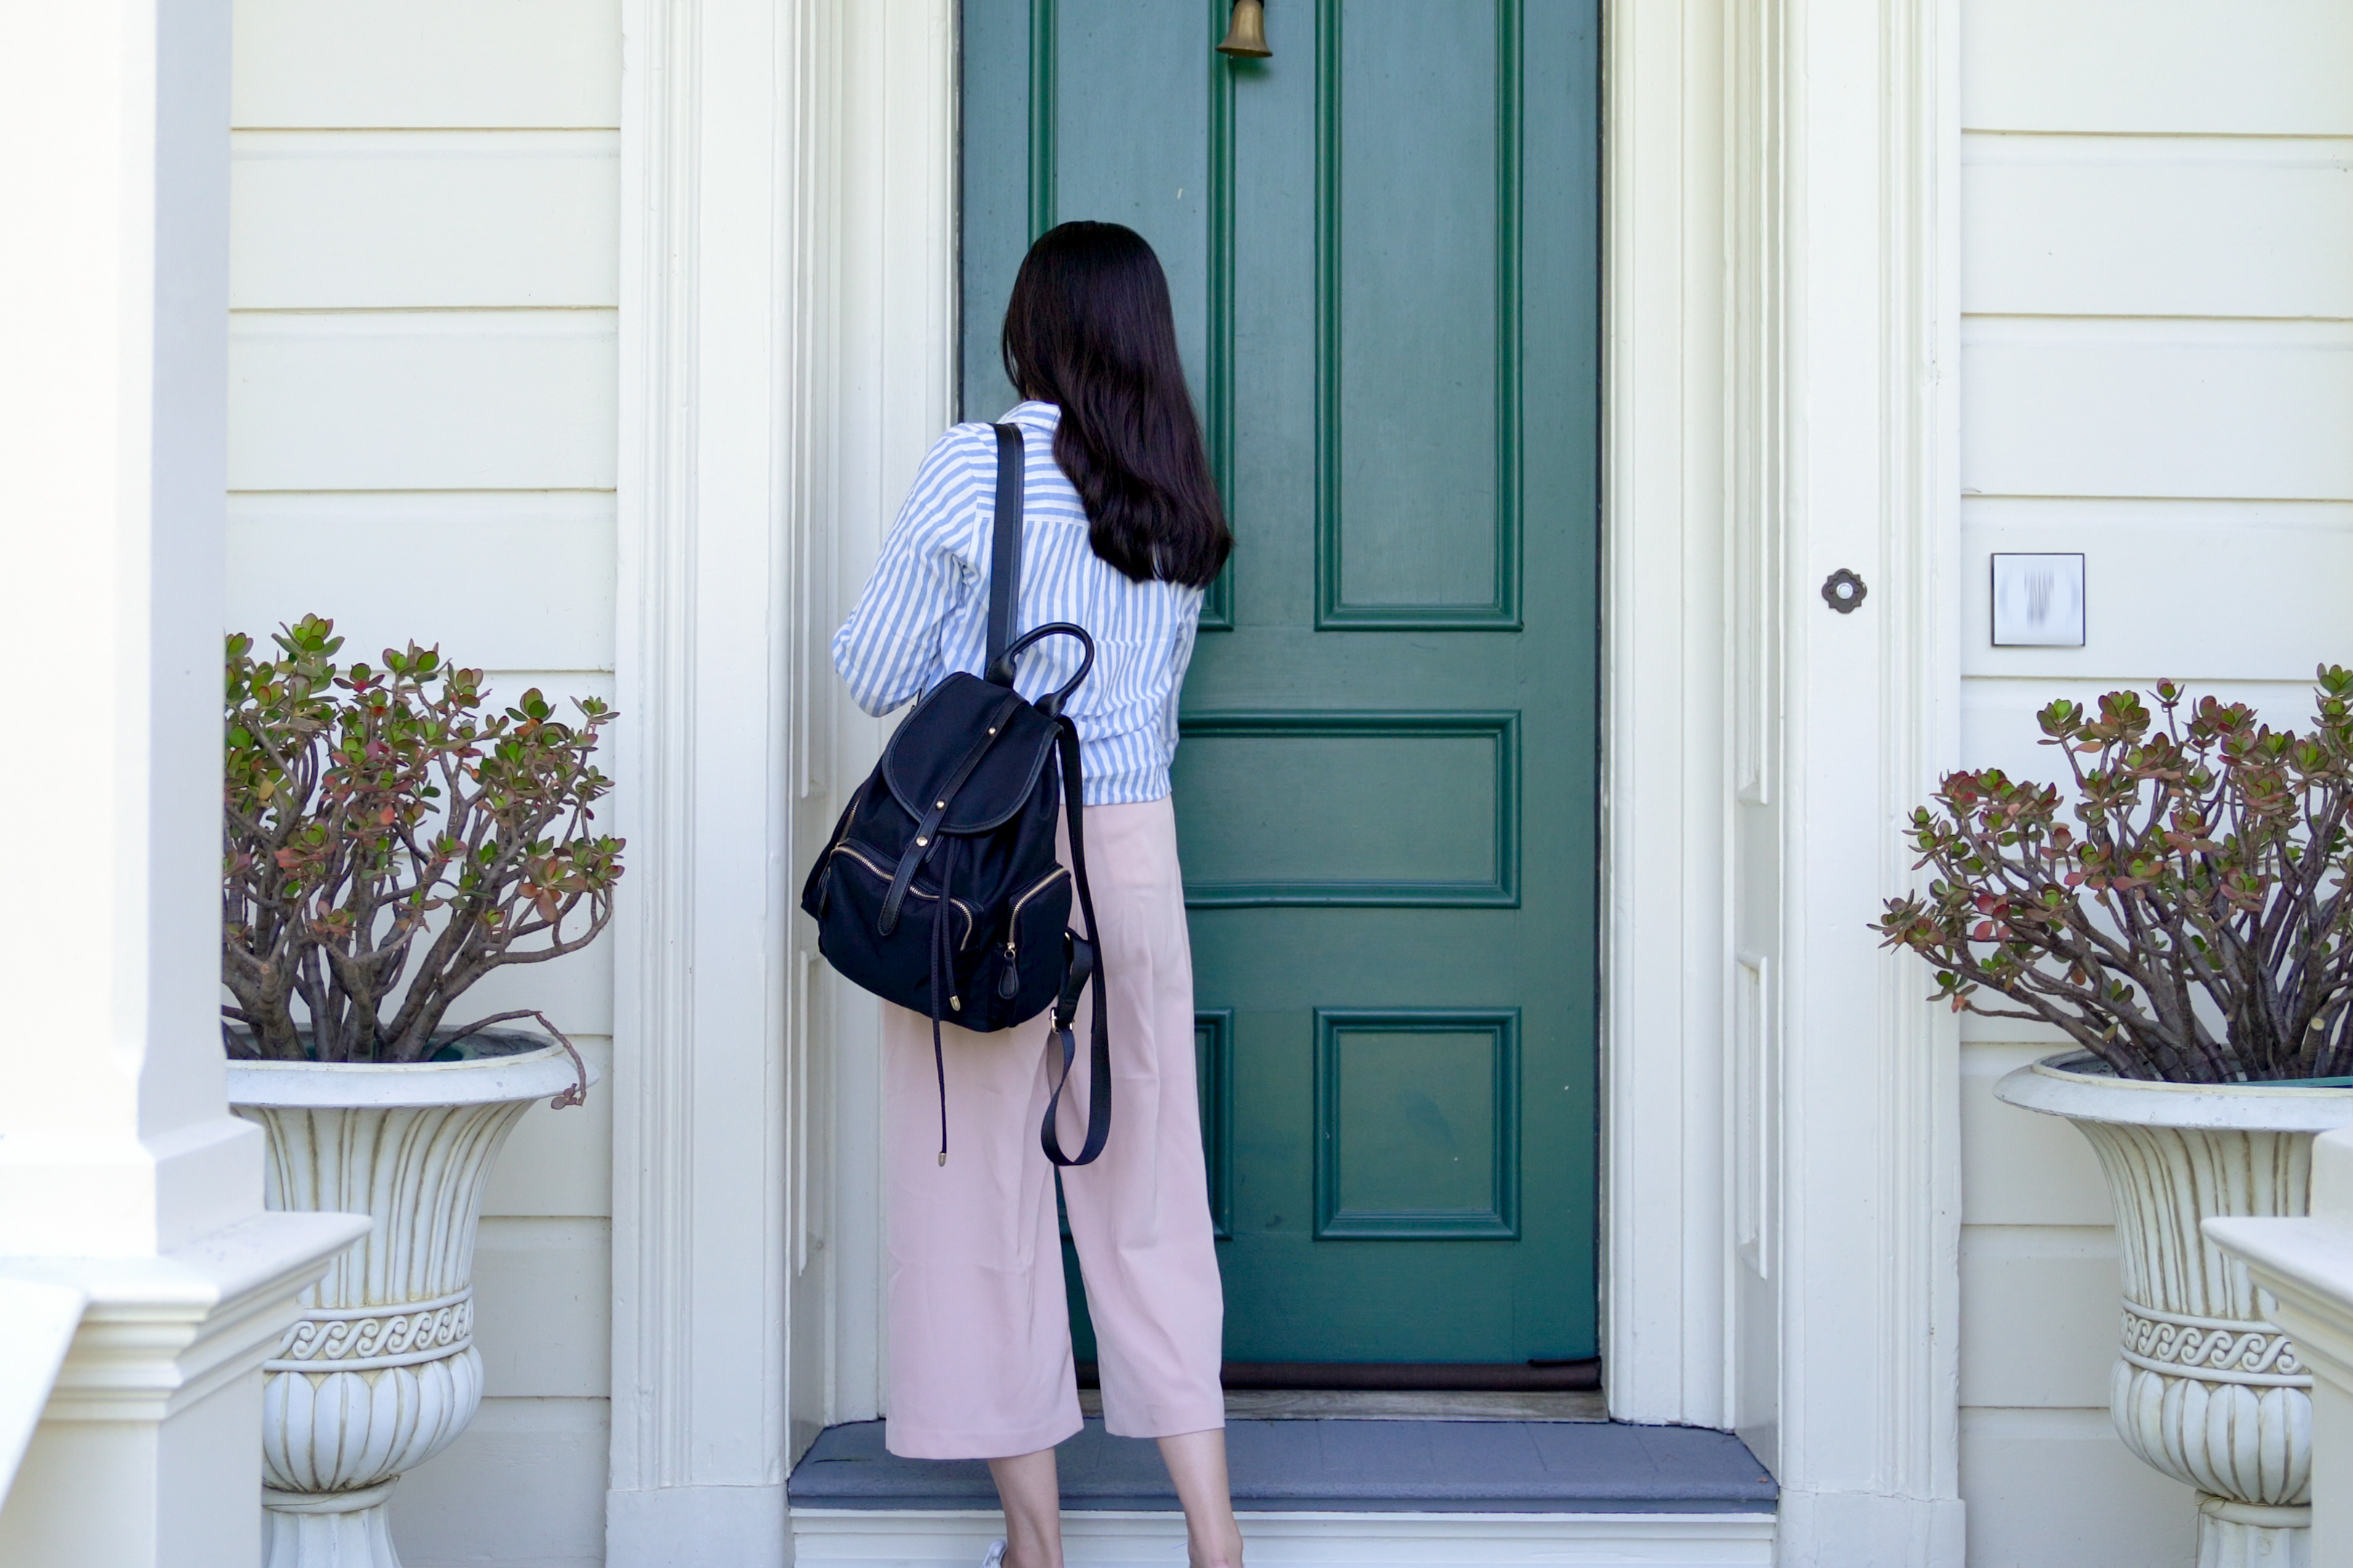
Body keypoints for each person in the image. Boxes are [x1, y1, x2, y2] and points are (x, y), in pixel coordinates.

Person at [830, 221, 1242, 1568]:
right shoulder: (1173, 493)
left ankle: (1036, 1544)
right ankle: (1215, 1535)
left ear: (1034, 326)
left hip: (987, 865)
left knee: (974, 1197)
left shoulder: (980, 463)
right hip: (1129, 847)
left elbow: (875, 668)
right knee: (1148, 1184)